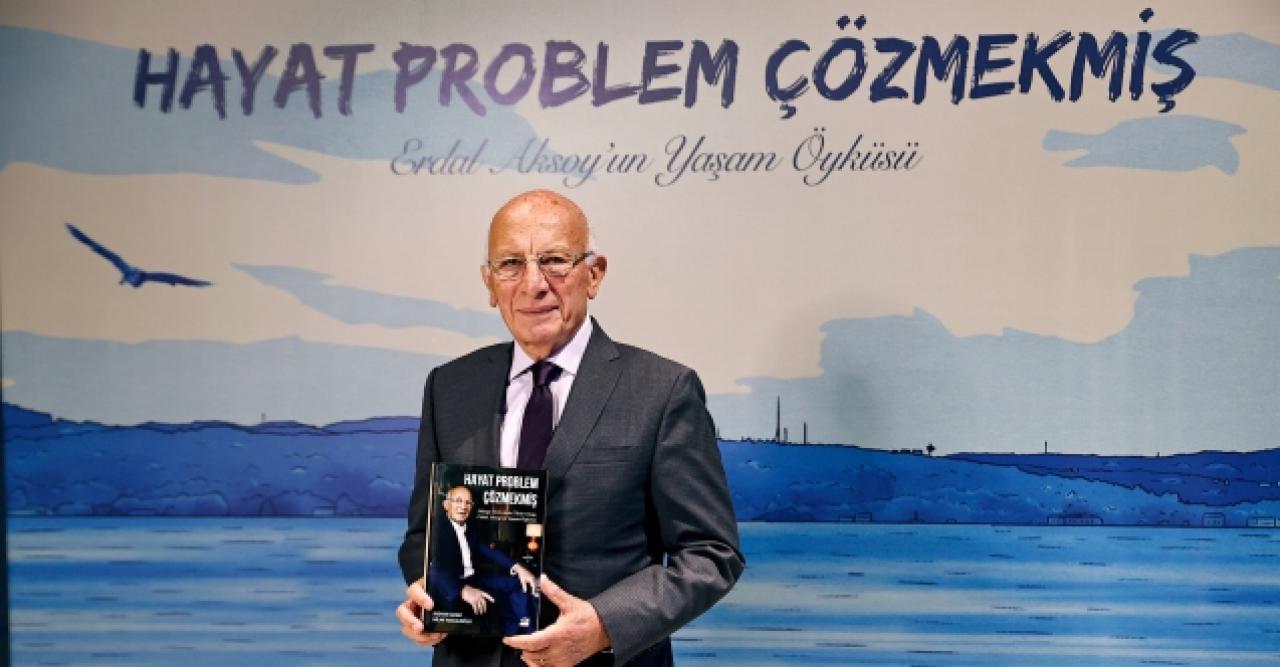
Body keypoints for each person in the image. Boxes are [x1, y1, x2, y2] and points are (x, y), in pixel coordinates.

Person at [396, 189, 744, 667]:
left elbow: (710, 553)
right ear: (489, 283)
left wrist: (604, 626)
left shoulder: (662, 390)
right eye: (511, 264)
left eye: (555, 261)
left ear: (594, 274)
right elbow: (424, 535)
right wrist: (428, 593)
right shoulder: (450, 386)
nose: (533, 284)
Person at [427, 485, 539, 636]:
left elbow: (488, 550)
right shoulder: (436, 530)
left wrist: (518, 567)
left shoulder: (471, 528)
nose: (463, 506)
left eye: (468, 503)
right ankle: (516, 631)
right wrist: (461, 590)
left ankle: (526, 632)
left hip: (475, 578)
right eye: (458, 501)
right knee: (503, 604)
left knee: (519, 583)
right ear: (446, 504)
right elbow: (434, 568)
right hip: (453, 583)